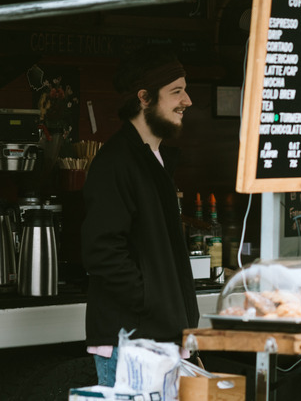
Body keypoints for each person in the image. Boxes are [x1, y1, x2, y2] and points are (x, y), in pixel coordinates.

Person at [81, 45, 199, 386]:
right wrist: (154, 301)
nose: (187, 101)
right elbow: (102, 251)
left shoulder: (154, 158)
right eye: (176, 91)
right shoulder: (116, 162)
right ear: (144, 98)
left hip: (155, 338)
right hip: (131, 343)